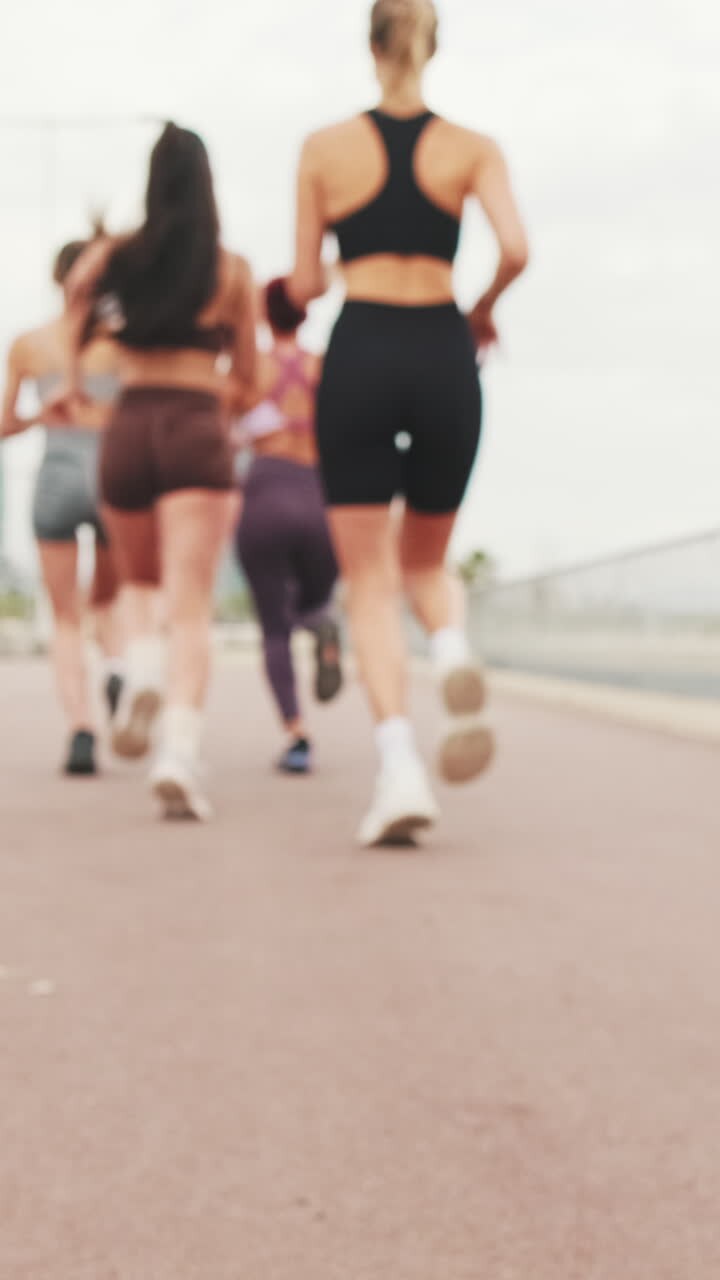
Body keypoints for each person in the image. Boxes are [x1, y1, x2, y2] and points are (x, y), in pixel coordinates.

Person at [286, 0, 529, 845]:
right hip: (439, 348)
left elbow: (306, 281)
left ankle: (398, 769)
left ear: (371, 46)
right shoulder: (472, 147)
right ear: (431, 46)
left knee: (370, 580)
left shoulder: (324, 149)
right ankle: (454, 651)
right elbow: (517, 248)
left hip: (359, 351)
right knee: (426, 557)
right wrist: (484, 309)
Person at [57, 122, 259, 820]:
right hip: (196, 428)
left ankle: (140, 669)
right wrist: (222, 397)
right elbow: (252, 380)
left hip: (129, 427)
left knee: (137, 584)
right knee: (191, 608)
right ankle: (177, 751)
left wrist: (77, 379)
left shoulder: (118, 259)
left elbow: (76, 303)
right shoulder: (230, 270)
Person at [1, 239, 124, 776]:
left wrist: (39, 415)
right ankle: (118, 669)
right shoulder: (124, 346)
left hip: (55, 473)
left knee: (65, 616)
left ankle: (81, 726)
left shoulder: (29, 345)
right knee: (111, 601)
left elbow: (5, 425)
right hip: (112, 476)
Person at [234, 277, 342, 775]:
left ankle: (297, 734)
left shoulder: (250, 367)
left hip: (266, 492)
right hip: (319, 494)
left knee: (274, 628)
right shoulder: (324, 367)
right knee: (313, 600)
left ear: (263, 312)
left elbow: (223, 430)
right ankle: (320, 625)